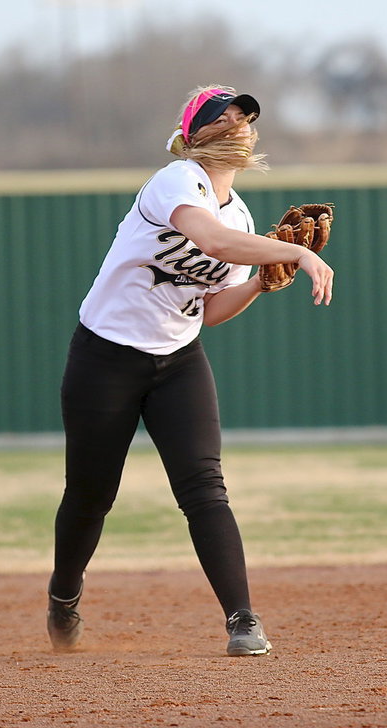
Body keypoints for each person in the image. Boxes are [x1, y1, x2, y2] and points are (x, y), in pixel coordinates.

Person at [46, 84, 335, 656]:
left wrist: (259, 283)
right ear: (195, 134)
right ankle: (64, 595)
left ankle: (243, 619)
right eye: (222, 117)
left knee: (205, 488)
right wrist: (293, 253)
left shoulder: (243, 214)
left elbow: (210, 311)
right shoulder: (176, 180)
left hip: (177, 361)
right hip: (106, 355)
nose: (238, 125)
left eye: (244, 118)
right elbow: (209, 239)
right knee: (90, 494)